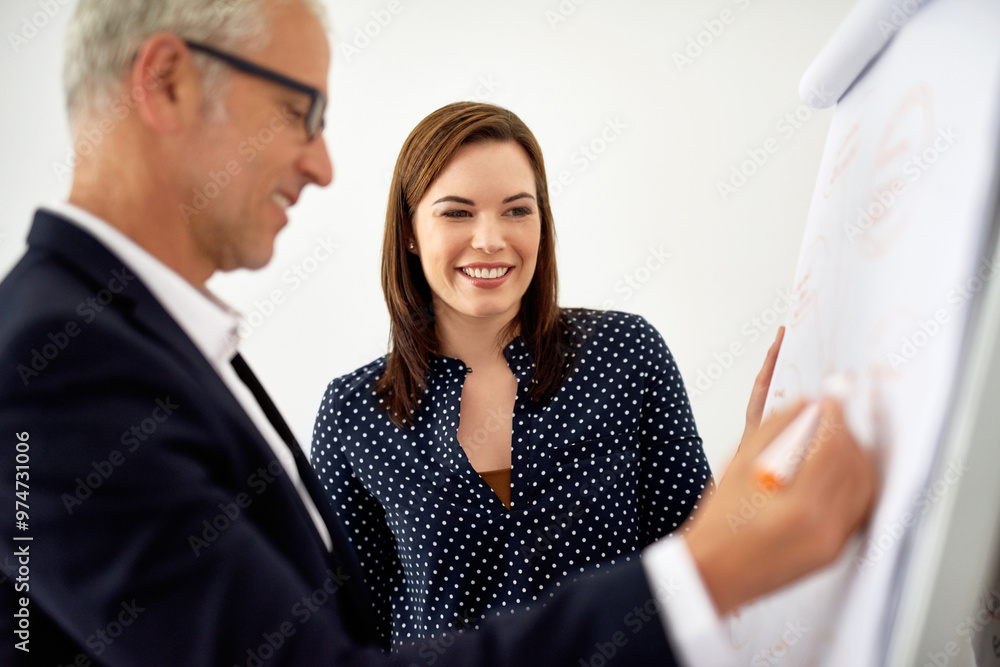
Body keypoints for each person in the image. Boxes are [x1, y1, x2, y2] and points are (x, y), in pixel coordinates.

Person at [0, 0, 876, 665]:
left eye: (517, 210)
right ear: (167, 81)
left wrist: (747, 503)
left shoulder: (144, 340)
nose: (322, 161)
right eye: (299, 109)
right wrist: (700, 576)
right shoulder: (53, 369)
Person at [311, 101, 782, 646]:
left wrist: (753, 474)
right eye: (457, 212)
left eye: (516, 210)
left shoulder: (625, 353)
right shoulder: (353, 412)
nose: (491, 239)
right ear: (410, 232)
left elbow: (697, 565)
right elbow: (344, 632)